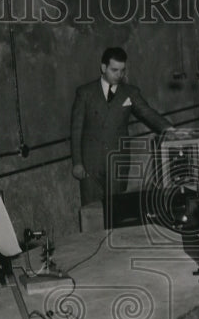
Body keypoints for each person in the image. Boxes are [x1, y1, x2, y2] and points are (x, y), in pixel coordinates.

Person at [70, 47, 176, 206]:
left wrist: (169, 129)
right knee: (92, 213)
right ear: (103, 68)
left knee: (117, 211)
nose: (119, 75)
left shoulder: (130, 92)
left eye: (122, 70)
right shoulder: (85, 93)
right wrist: (77, 162)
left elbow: (147, 113)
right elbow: (76, 130)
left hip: (117, 162)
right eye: (114, 70)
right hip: (90, 164)